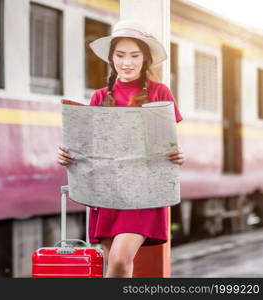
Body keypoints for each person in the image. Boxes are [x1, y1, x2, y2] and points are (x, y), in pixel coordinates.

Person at [57, 20, 185, 278]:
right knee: (116, 266)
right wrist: (67, 156)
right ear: (111, 58)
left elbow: (169, 144)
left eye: (134, 56)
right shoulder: (99, 97)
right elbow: (88, 149)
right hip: (106, 193)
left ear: (145, 59)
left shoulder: (160, 93)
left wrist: (179, 155)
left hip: (144, 194)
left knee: (118, 262)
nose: (127, 62)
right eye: (120, 55)